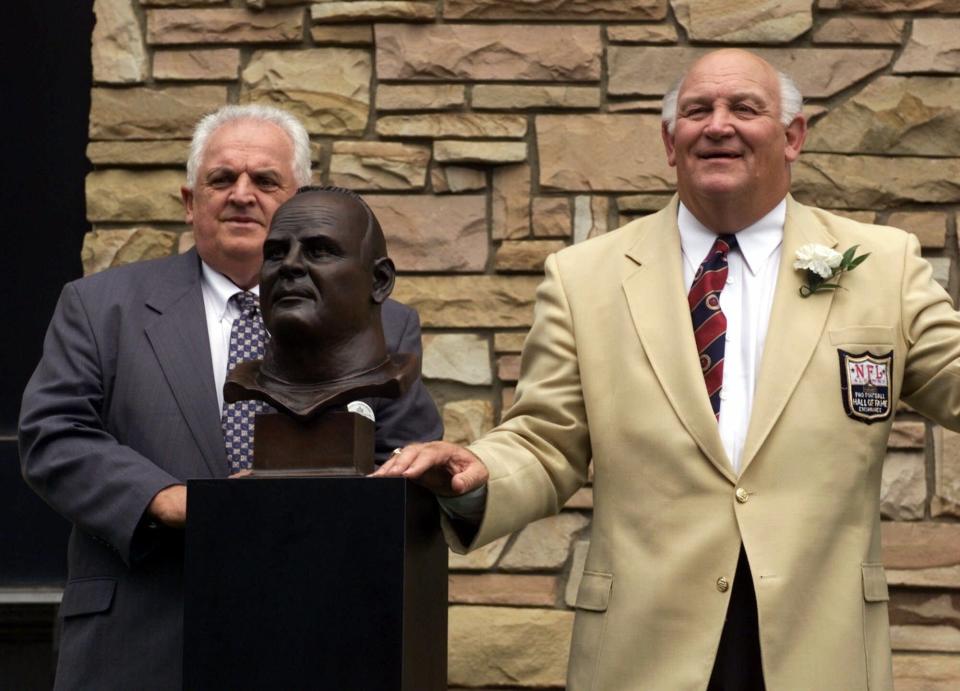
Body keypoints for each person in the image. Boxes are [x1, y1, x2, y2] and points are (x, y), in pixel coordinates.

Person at [376, 48, 960, 691]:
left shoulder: (882, 264)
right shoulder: (584, 278)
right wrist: (482, 470)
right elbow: (545, 440)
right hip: (645, 649)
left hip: (823, 647)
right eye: (696, 110)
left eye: (745, 108)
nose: (718, 125)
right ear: (669, 140)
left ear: (793, 136)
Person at [19, 104, 442, 690]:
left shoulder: (382, 323)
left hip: (324, 636)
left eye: (266, 181)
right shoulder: (100, 307)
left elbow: (412, 462)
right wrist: (169, 501)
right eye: (222, 179)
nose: (242, 195)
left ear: (298, 203)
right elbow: (53, 435)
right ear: (191, 201)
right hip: (143, 640)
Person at [225, 187, 419, 419]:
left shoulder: (395, 375)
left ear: (379, 281)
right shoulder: (243, 379)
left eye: (319, 251)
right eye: (276, 253)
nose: (289, 264)